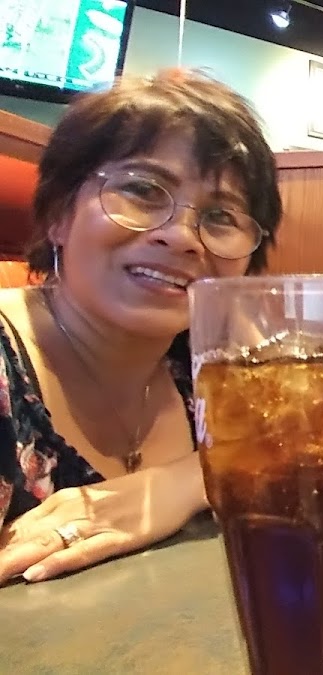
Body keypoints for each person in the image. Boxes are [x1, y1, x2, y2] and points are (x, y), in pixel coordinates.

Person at [0, 68, 283, 583]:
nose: (183, 237)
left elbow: (320, 439)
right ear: (59, 214)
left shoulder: (206, 359)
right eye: (142, 190)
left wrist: (187, 481)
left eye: (221, 217)